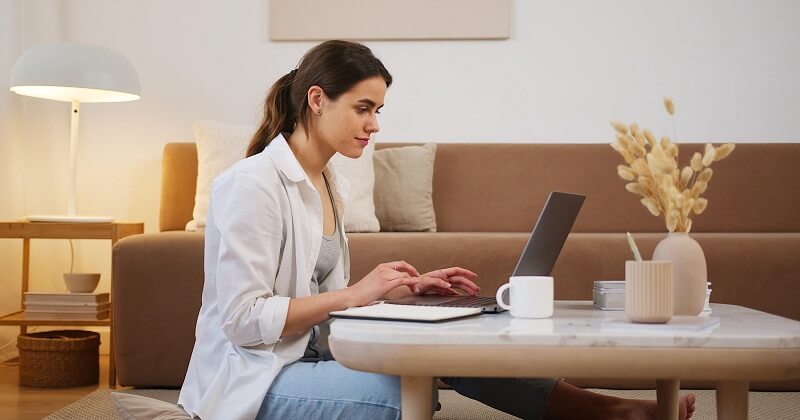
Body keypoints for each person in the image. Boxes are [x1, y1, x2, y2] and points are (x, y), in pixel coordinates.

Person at [178, 40, 696, 420]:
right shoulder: (252, 185)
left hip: (315, 349)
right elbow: (243, 321)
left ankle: (600, 410)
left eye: (377, 110)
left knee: (450, 337)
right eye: (363, 108)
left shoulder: (328, 180)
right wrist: (358, 295)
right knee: (409, 394)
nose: (374, 124)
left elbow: (324, 298)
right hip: (255, 379)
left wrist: (401, 293)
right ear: (317, 99)